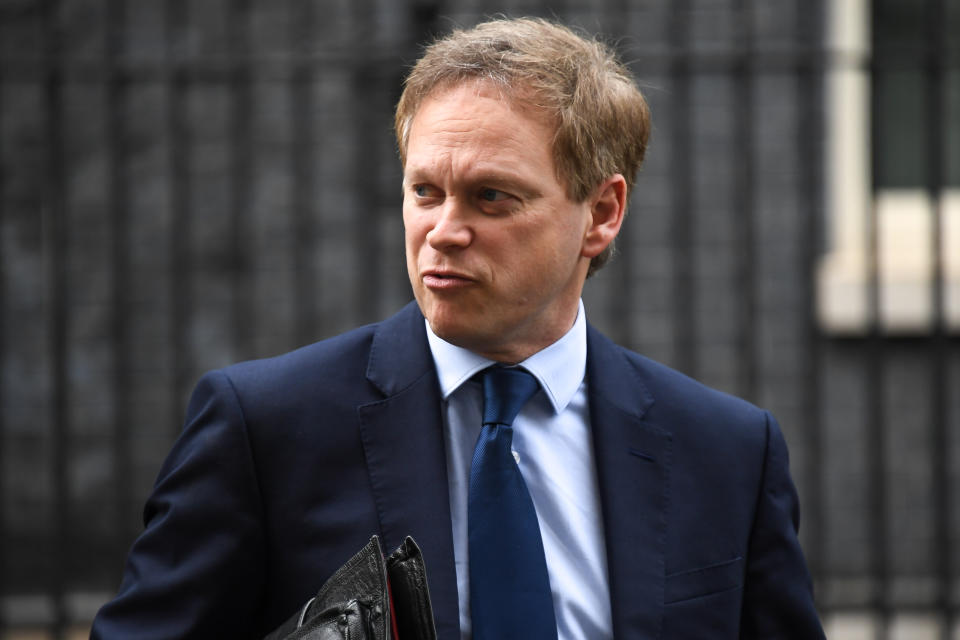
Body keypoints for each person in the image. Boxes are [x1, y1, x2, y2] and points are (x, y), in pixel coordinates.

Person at [92, 17, 825, 639]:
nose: (443, 232)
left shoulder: (727, 450)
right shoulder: (266, 427)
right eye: (424, 191)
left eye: (490, 197)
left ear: (601, 213)